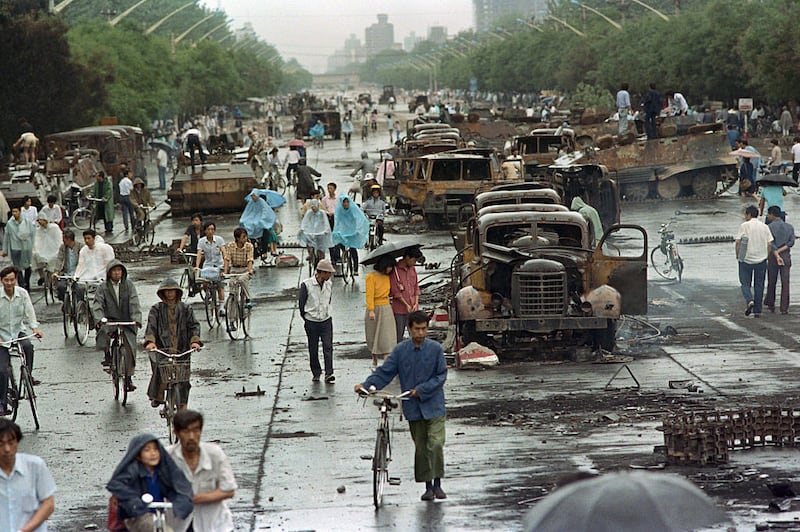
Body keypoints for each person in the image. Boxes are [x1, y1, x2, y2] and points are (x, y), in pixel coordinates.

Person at [353, 311, 447, 502]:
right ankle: (428, 486)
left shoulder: (436, 349)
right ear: (409, 329)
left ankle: (438, 484)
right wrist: (366, 386)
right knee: (421, 446)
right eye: (417, 329)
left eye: (424, 329)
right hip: (412, 407)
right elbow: (384, 373)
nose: (421, 333)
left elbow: (441, 376)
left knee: (435, 443)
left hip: (434, 405)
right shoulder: (400, 351)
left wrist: (421, 390)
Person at [107, 433, 193, 532]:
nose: (153, 453)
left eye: (156, 449)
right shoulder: (132, 470)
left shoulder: (162, 471)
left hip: (158, 514)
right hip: (136, 516)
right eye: (147, 450)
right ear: (138, 455)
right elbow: (118, 485)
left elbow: (176, 487)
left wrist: (182, 501)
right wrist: (134, 501)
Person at [168, 410, 237, 532]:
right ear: (176, 433)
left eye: (196, 430)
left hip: (215, 525)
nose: (191, 437)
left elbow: (229, 490)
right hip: (179, 525)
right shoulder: (167, 457)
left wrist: (195, 499)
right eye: (186, 431)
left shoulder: (215, 454)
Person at [143, 279, 202, 408]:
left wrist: (195, 342)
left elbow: (194, 326)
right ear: (162, 293)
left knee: (184, 380)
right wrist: (151, 342)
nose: (170, 294)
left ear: (177, 292)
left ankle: (183, 407)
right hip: (162, 348)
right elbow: (151, 326)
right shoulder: (156, 309)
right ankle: (157, 396)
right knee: (160, 371)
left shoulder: (186, 308)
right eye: (167, 291)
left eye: (172, 291)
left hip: (182, 349)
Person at [92, 260, 140, 392]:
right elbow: (98, 304)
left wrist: (136, 319)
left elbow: (134, 302)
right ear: (109, 273)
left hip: (126, 320)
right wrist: (99, 318)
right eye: (114, 271)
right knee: (103, 332)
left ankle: (128, 379)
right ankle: (107, 356)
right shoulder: (103, 287)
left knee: (130, 346)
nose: (117, 273)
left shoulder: (129, 285)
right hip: (109, 320)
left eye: (119, 270)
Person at [0, 419, 56, 530]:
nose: (7, 449)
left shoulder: (35, 466)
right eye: (0, 444)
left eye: (11, 443)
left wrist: (25, 530)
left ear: (17, 442)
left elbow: (48, 504)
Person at [0, 265, 43, 402]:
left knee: (28, 347)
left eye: (12, 280)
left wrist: (35, 328)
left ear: (16, 279)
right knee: (2, 371)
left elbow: (30, 312)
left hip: (18, 331)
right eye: (6, 280)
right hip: (2, 335)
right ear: (1, 281)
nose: (9, 283)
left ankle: (28, 375)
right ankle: (2, 402)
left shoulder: (22, 293)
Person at [298, 258, 336, 383]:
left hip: (326, 320)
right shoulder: (307, 284)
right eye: (328, 273)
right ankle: (316, 372)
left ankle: (329, 373)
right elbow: (301, 304)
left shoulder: (329, 284)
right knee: (313, 348)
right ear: (322, 272)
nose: (330, 275)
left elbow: (328, 300)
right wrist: (307, 317)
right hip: (311, 321)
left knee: (328, 347)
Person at [736, 205, 773, 317]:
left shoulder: (744, 226)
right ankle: (757, 310)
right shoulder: (764, 226)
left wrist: (738, 256)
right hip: (761, 260)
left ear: (748, 215)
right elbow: (769, 243)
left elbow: (738, 242)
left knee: (745, 284)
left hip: (746, 259)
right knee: (759, 285)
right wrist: (766, 255)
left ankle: (749, 300)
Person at [365, 255, 396, 367]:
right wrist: (371, 310)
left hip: (386, 307)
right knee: (373, 334)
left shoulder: (389, 277)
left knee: (387, 336)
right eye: (389, 267)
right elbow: (369, 295)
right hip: (375, 307)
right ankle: (374, 358)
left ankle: (387, 361)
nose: (391, 269)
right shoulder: (371, 277)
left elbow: (390, 292)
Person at [764, 205, 794, 315]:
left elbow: (770, 243)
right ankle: (784, 307)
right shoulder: (789, 227)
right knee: (785, 282)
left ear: (772, 214)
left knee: (772, 280)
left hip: (773, 256)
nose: (768, 216)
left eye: (768, 214)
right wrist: (782, 250)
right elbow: (791, 242)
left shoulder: (769, 227)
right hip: (786, 255)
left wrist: (776, 253)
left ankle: (771, 303)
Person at [332, 196, 369, 276]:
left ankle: (355, 269)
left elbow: (358, 220)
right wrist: (336, 231)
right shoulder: (339, 211)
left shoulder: (353, 211)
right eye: (344, 202)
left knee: (353, 250)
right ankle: (342, 258)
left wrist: (357, 230)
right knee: (339, 245)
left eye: (347, 202)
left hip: (352, 233)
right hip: (343, 232)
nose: (345, 204)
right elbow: (337, 223)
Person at [390, 248, 422, 343]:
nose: (414, 262)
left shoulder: (412, 269)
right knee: (398, 335)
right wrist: (406, 305)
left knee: (415, 334)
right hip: (399, 309)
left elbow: (416, 287)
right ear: (407, 258)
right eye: (413, 260)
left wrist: (416, 302)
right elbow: (396, 292)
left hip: (413, 307)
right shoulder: (395, 270)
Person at [239, 190, 282, 260]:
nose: (253, 197)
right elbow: (247, 213)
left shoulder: (262, 203)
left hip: (261, 223)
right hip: (252, 221)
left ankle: (264, 251)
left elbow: (265, 213)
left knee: (265, 234)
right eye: (252, 196)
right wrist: (243, 220)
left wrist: (261, 220)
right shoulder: (251, 203)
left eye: (254, 196)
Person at [1, 206, 34, 290]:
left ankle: (27, 282)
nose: (14, 213)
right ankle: (22, 284)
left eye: (16, 211)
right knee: (17, 267)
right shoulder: (10, 223)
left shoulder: (27, 222)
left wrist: (34, 246)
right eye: (13, 212)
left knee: (27, 266)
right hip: (15, 247)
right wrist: (5, 250)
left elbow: (32, 234)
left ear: (19, 212)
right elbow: (6, 237)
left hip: (26, 247)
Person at [196, 221, 225, 315]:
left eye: (212, 229)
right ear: (205, 231)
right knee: (204, 282)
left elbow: (224, 252)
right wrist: (197, 266)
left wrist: (226, 264)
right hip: (208, 265)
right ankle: (208, 293)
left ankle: (221, 307)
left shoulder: (219, 240)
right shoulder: (201, 241)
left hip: (219, 264)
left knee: (220, 286)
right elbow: (199, 254)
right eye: (208, 229)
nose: (210, 231)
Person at [222, 227, 254, 311]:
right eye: (243, 237)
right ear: (237, 238)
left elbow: (250, 259)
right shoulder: (230, 245)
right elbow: (227, 259)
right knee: (233, 293)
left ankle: (248, 299)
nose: (245, 239)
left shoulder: (249, 246)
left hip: (245, 269)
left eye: (246, 236)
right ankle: (232, 320)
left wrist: (250, 270)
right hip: (234, 270)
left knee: (242, 279)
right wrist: (225, 272)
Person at [298, 199, 333, 263]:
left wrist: (326, 230)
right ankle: (311, 255)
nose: (313, 208)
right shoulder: (309, 213)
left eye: (315, 206)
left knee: (321, 249)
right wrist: (303, 229)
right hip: (312, 231)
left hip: (321, 232)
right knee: (309, 243)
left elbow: (326, 223)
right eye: (312, 207)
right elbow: (305, 222)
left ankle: (322, 261)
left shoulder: (322, 213)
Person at [52, 229, 83, 301]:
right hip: (66, 273)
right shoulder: (63, 247)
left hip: (78, 273)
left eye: (64, 239)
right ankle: (65, 302)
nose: (63, 241)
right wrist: (56, 271)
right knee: (61, 287)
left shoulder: (80, 247)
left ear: (69, 239)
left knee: (79, 288)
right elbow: (59, 259)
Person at [32, 214, 61, 287]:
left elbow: (59, 239)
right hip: (43, 250)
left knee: (53, 259)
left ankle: (50, 281)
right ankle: (42, 276)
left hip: (54, 250)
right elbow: (36, 241)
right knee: (34, 256)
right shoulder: (38, 230)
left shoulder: (54, 228)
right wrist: (36, 250)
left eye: (41, 220)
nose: (40, 222)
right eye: (38, 220)